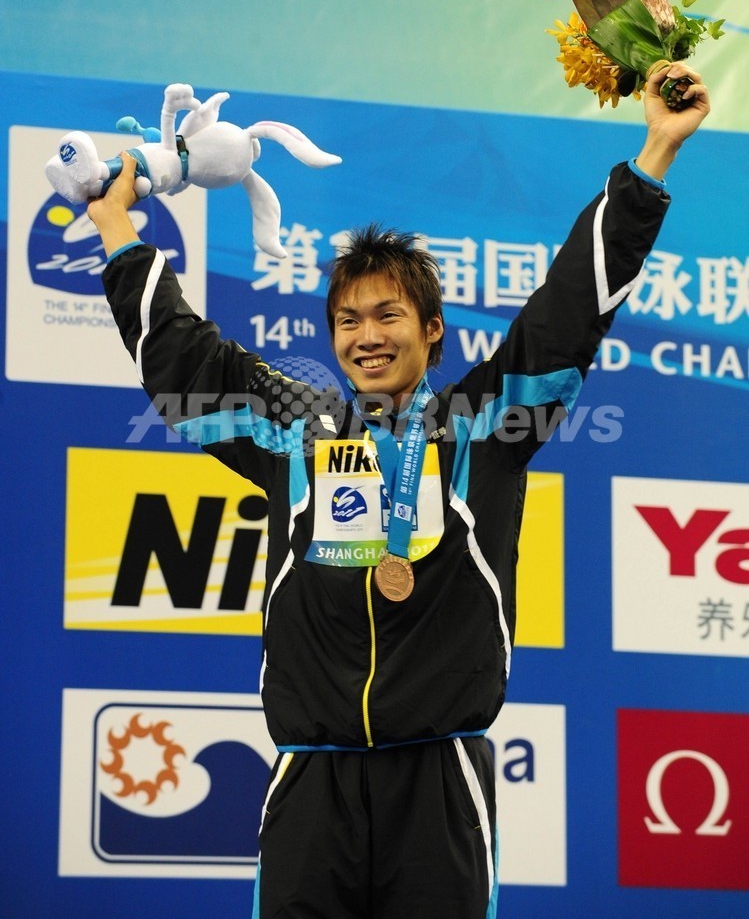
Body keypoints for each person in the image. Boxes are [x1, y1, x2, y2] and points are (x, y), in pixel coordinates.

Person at [89, 63, 709, 919]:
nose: (366, 336)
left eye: (387, 316)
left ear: (431, 330)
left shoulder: (484, 427)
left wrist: (653, 157)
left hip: (439, 777)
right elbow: (183, 361)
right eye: (347, 320)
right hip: (312, 778)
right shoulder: (297, 432)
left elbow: (566, 313)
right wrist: (115, 225)